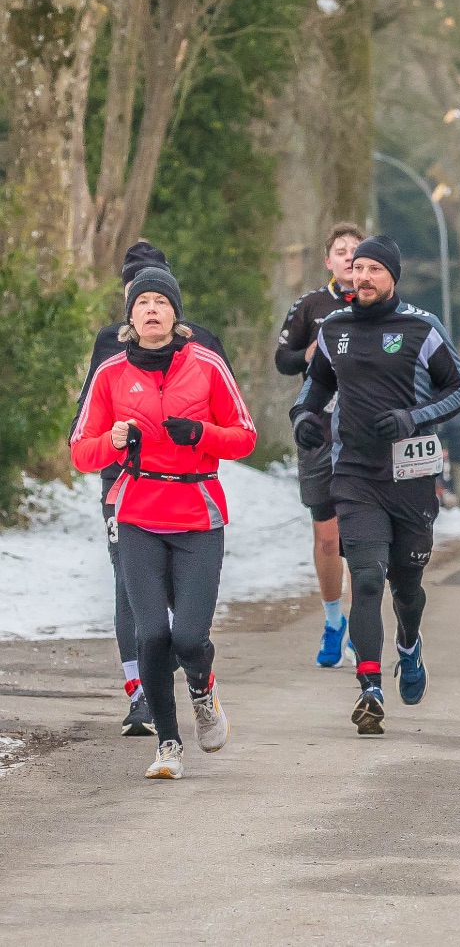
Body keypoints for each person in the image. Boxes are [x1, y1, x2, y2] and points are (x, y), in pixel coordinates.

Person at [70, 268, 256, 779]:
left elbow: (244, 436)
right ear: (130, 316)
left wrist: (201, 433)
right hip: (138, 513)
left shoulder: (207, 365)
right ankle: (168, 744)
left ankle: (203, 690)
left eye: (161, 301)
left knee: (190, 638)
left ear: (176, 314)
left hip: (197, 512)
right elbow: (80, 451)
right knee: (151, 634)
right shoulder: (110, 373)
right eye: (142, 302)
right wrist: (112, 442)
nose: (152, 309)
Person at [290, 235, 460, 735]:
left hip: (411, 476)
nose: (363, 277)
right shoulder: (335, 328)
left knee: (406, 586)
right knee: (367, 579)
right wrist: (303, 417)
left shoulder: (421, 328)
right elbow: (314, 388)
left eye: (374, 269)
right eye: (358, 268)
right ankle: (369, 687)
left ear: (393, 276)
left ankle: (409, 645)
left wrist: (415, 417)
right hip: (355, 473)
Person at [276, 221, 365, 667]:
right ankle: (334, 622)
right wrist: (309, 354)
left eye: (356, 250)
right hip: (319, 431)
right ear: (329, 261)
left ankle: (363, 627)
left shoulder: (380, 306)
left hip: (365, 435)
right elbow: (282, 359)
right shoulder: (311, 305)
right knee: (328, 538)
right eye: (341, 251)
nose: (349, 257)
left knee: (363, 536)